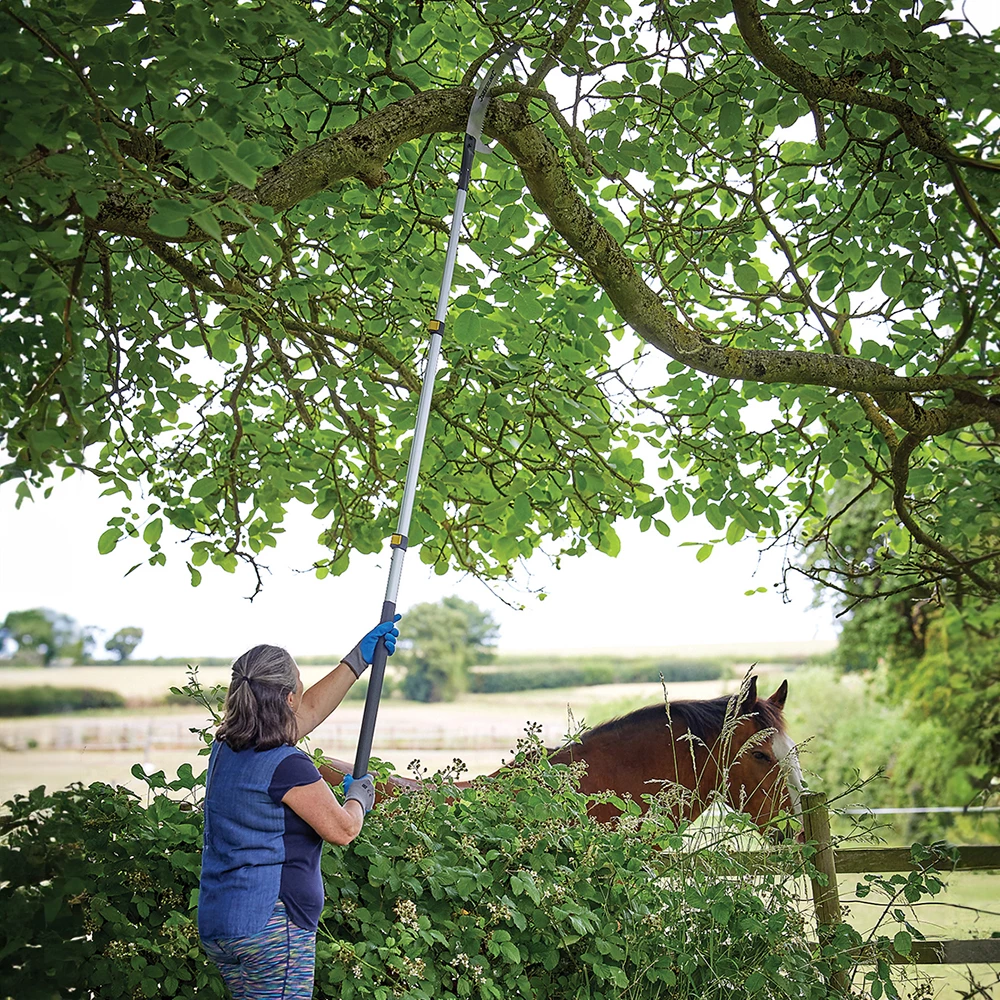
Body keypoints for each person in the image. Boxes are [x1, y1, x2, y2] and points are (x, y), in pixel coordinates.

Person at [198, 616, 401, 999]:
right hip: (270, 928)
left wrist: (358, 659)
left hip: (222, 924)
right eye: (298, 687)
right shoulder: (287, 765)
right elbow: (342, 830)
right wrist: (359, 796)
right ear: (288, 698)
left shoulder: (225, 748)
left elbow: (305, 714)